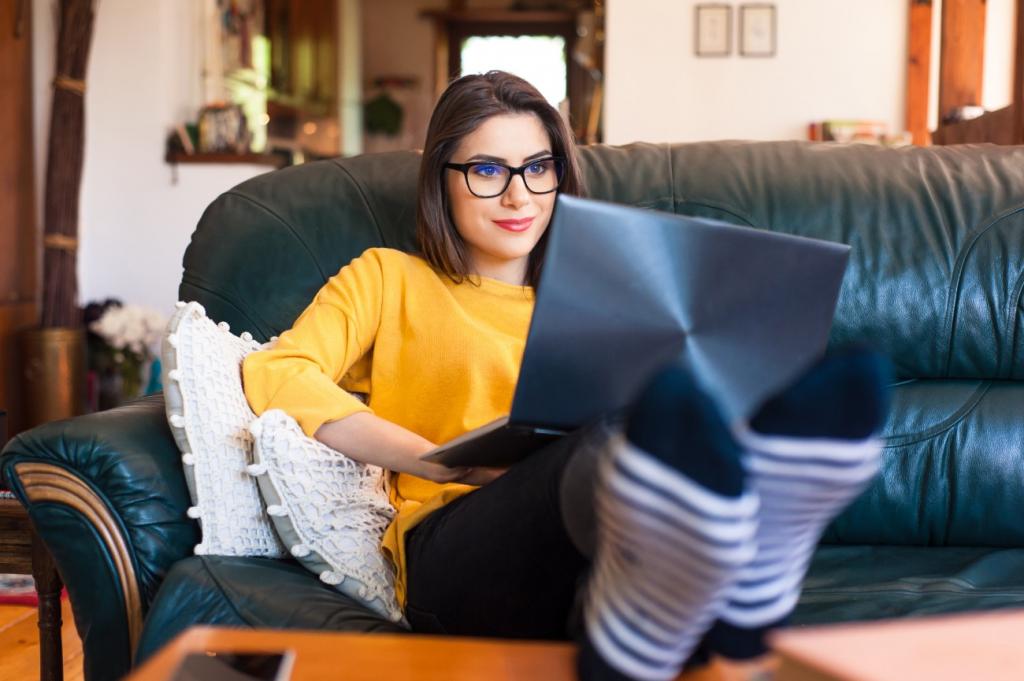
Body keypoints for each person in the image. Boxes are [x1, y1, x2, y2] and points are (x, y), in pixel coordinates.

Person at [242, 70, 891, 681]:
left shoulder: (605, 299)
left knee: (665, 444)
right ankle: (747, 568)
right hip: (456, 549)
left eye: (537, 167)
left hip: (610, 551)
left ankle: (663, 612)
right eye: (488, 170)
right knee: (624, 436)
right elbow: (279, 373)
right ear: (441, 179)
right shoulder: (388, 278)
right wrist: (440, 461)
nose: (519, 194)